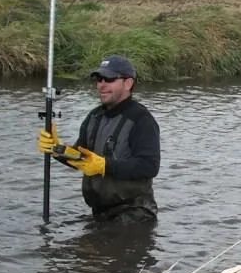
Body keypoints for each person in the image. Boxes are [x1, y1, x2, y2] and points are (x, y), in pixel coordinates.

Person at [37, 54, 161, 226]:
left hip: (135, 213)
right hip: (100, 211)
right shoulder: (94, 116)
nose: (101, 85)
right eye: (99, 79)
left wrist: (105, 165)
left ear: (128, 83)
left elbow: (149, 166)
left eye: (109, 79)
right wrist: (57, 150)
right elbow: (83, 158)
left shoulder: (141, 120)